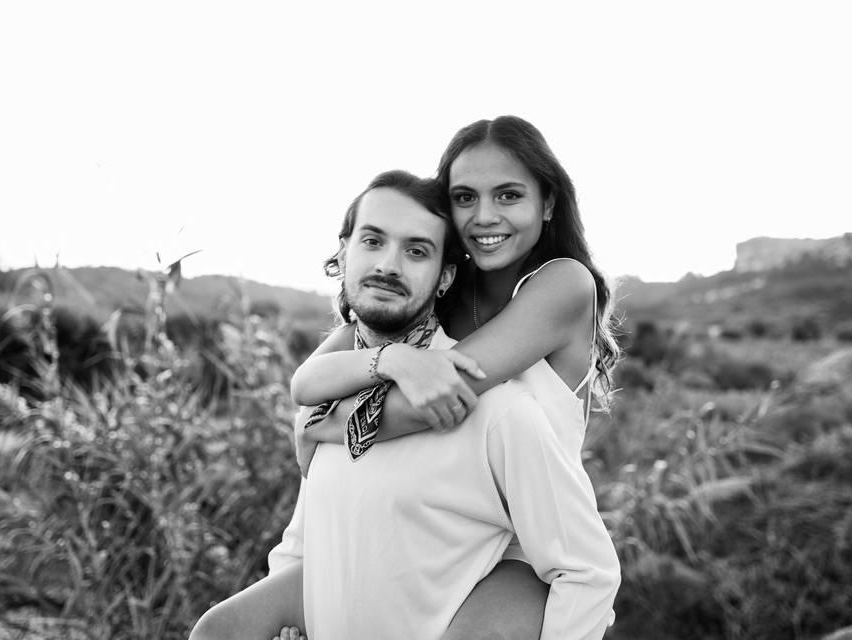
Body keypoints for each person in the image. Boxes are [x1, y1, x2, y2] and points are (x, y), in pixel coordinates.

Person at [191, 169, 620, 639]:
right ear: (343, 252)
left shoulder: (499, 411)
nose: (389, 266)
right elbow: (311, 533)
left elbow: (587, 573)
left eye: (416, 251)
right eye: (373, 242)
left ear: (445, 277)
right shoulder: (332, 401)